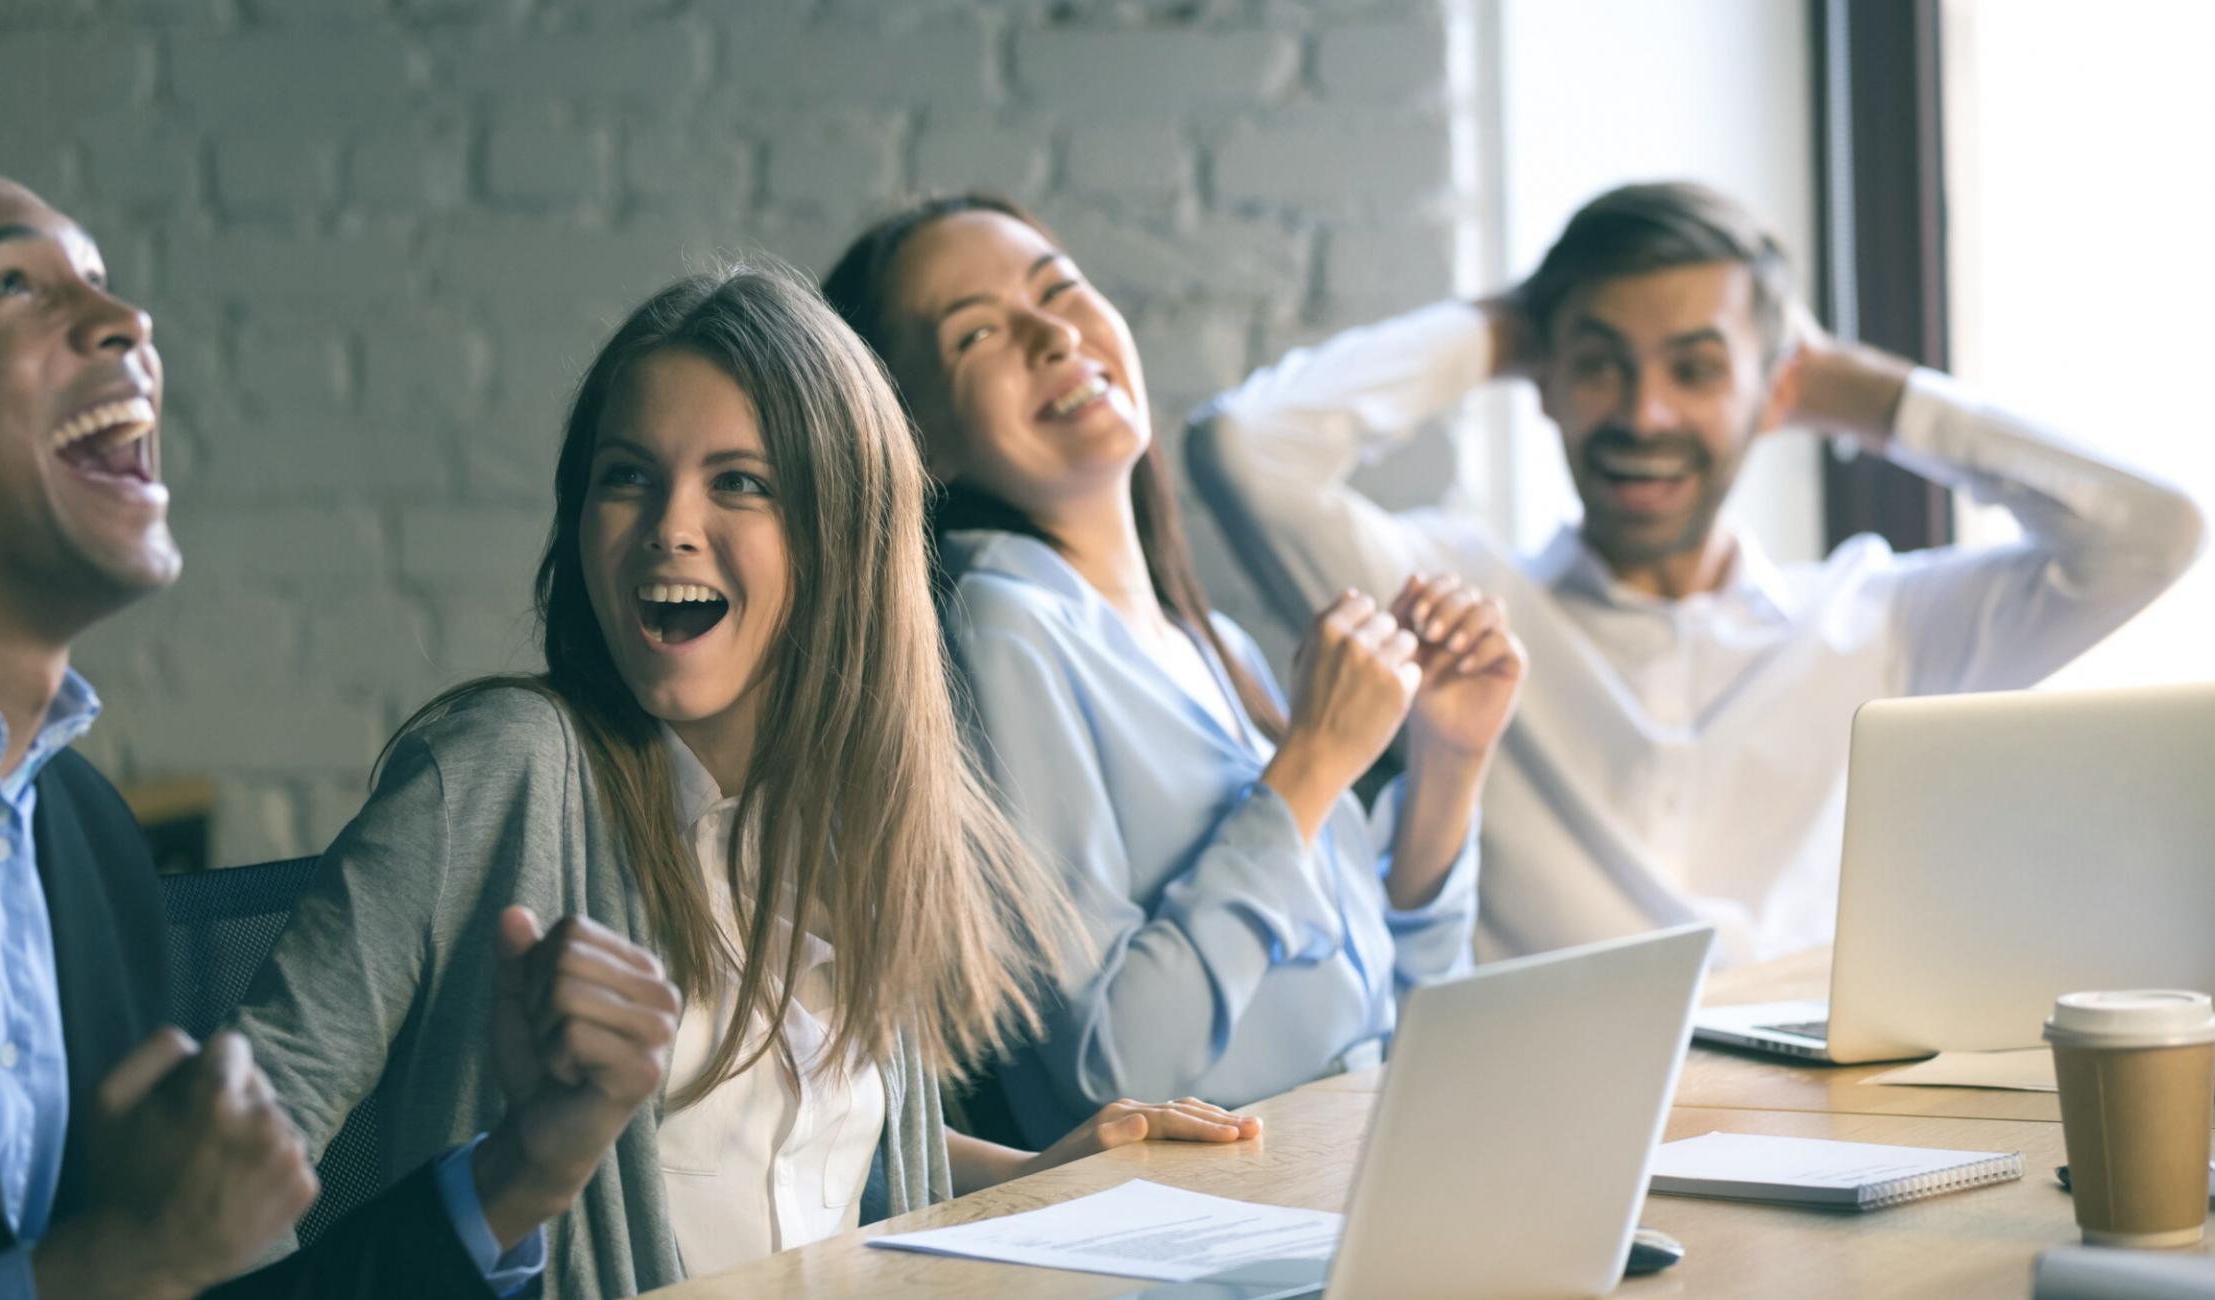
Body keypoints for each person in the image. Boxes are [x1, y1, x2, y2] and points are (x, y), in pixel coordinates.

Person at [230, 266, 1258, 1299]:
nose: (668, 525)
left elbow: (795, 1153)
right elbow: (227, 1154)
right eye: (625, 477)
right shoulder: (503, 765)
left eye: (739, 482)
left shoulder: (850, 813)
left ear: (843, 536)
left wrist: (1046, 1171)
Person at [0, 140, 674, 1298]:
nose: (127, 321)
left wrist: (520, 1172)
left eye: (102, 282)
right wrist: (106, 1266)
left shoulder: (85, 835)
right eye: (12, 286)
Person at [1184, 180, 2207, 963]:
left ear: (1777, 391)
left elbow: (2153, 532)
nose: (1644, 414)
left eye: (1696, 368)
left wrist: (1865, 396)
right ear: (1544, 381)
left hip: (1819, 1128)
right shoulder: (1448, 605)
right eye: (1599, 363)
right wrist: (1502, 328)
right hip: (1541, 1125)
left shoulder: (1883, 623)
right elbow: (1242, 448)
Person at [822, 196, 1526, 1148]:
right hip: (1216, 1201)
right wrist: (1314, 764)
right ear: (919, 440)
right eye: (976, 333)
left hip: (1353, 1157)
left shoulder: (1216, 648)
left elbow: (1408, 1021)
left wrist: (1450, 759)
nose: (1051, 333)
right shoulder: (999, 626)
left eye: (1058, 289)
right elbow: (1116, 1072)